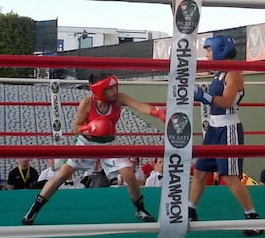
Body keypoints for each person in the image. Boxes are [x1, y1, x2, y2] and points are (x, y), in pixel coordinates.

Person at [22, 73, 166, 224]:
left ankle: (140, 209)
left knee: (129, 175)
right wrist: (90, 127)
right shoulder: (87, 102)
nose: (114, 91)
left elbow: (139, 106)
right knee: (62, 175)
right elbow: (75, 129)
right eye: (110, 89)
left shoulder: (119, 98)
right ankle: (34, 209)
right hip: (86, 142)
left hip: (109, 143)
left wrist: (158, 112)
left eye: (115, 87)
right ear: (99, 90)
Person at [189, 36, 263, 236]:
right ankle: (190, 212)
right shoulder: (219, 73)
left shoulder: (234, 74)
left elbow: (226, 102)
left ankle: (253, 218)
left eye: (209, 50)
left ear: (219, 49)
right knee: (200, 172)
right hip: (213, 129)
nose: (206, 54)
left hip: (228, 129)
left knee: (230, 177)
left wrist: (203, 96)